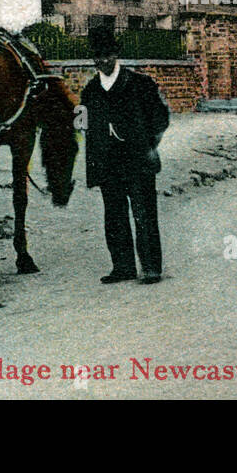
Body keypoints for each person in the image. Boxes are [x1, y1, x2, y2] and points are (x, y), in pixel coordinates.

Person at [79, 27, 171, 284]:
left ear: (116, 55)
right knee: (115, 216)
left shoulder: (141, 84)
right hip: (107, 164)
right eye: (97, 56)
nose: (102, 61)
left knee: (144, 213)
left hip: (137, 160)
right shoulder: (90, 91)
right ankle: (123, 267)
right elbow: (80, 122)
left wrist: (149, 144)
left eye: (107, 55)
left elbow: (161, 117)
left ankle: (151, 267)